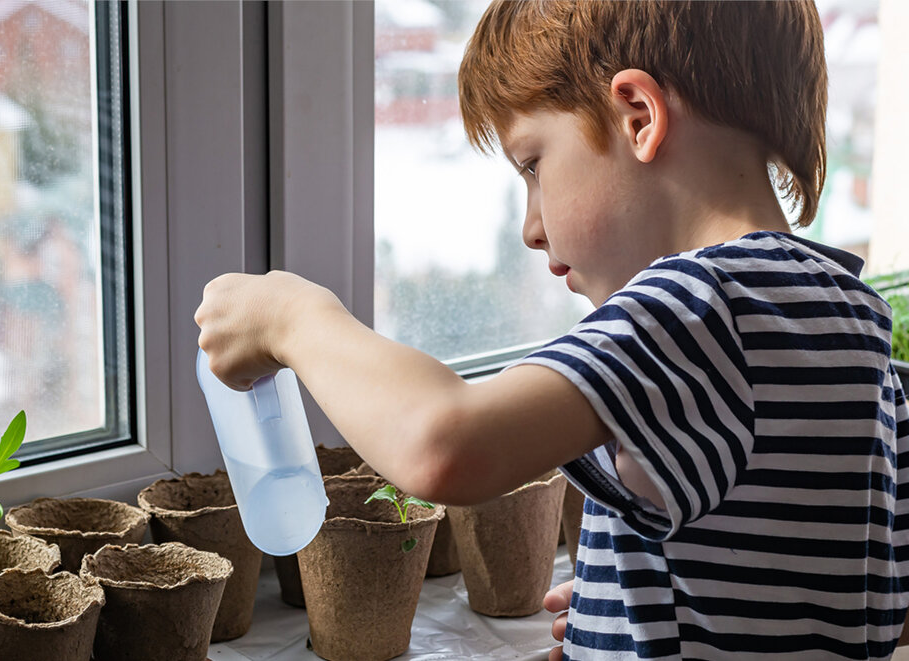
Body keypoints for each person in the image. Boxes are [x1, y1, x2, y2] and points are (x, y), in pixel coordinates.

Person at [195, 1, 909, 658]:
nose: (532, 228)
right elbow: (853, 589)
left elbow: (448, 444)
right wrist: (628, 612)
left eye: (533, 166)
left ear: (638, 116)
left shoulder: (702, 304)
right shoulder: (850, 317)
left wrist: (295, 317)